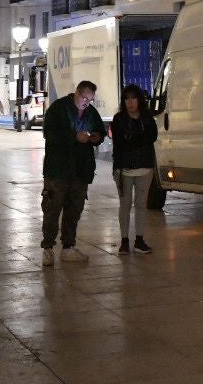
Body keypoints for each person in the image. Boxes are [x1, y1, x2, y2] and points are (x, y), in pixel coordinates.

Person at [40, 80, 105, 266]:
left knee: (74, 209)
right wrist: (74, 137)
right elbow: (50, 134)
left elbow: (100, 130)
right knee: (52, 208)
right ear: (76, 92)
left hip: (80, 170)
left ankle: (68, 246)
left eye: (90, 100)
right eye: (84, 97)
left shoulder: (91, 112)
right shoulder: (58, 108)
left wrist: (96, 137)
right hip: (58, 170)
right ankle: (48, 247)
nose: (86, 102)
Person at [109, 84, 158, 256]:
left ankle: (139, 239)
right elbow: (121, 142)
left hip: (145, 167)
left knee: (141, 204)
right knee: (125, 204)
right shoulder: (119, 119)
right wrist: (135, 140)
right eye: (127, 98)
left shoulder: (148, 119)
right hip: (124, 169)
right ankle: (124, 241)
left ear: (139, 100)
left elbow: (150, 138)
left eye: (133, 98)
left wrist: (132, 139)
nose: (130, 102)